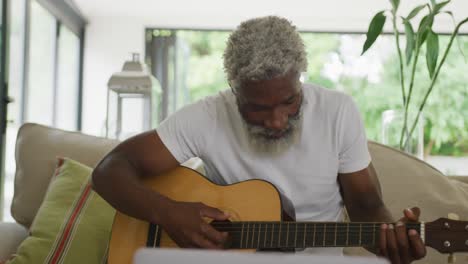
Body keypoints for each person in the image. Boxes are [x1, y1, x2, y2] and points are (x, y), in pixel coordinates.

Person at [92, 16, 426, 264]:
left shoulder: (337, 111)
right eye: (257, 108)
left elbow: (366, 207)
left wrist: (392, 239)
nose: (276, 120)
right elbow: (109, 171)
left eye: (289, 102)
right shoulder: (206, 116)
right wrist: (168, 213)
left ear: (300, 79)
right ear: (234, 89)